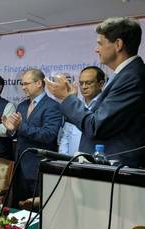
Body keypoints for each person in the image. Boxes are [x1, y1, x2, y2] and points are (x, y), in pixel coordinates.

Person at [47, 17, 145, 167]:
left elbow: (95, 126)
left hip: (120, 173)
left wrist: (66, 98)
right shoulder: (125, 75)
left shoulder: (132, 77)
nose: (96, 49)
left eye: (100, 43)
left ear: (118, 44)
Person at [2, 69, 62, 207]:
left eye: (26, 84)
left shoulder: (53, 106)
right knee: (18, 209)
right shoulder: (22, 105)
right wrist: (11, 130)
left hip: (38, 168)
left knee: (37, 211)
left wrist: (20, 127)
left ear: (39, 83)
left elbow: (48, 135)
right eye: (22, 84)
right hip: (20, 167)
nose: (23, 87)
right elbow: (17, 132)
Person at [58, 66, 105, 155]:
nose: (84, 87)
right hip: (71, 163)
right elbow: (65, 137)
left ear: (101, 84)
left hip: (95, 163)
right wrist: (63, 161)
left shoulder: (106, 106)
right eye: (81, 83)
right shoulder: (74, 106)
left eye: (88, 83)